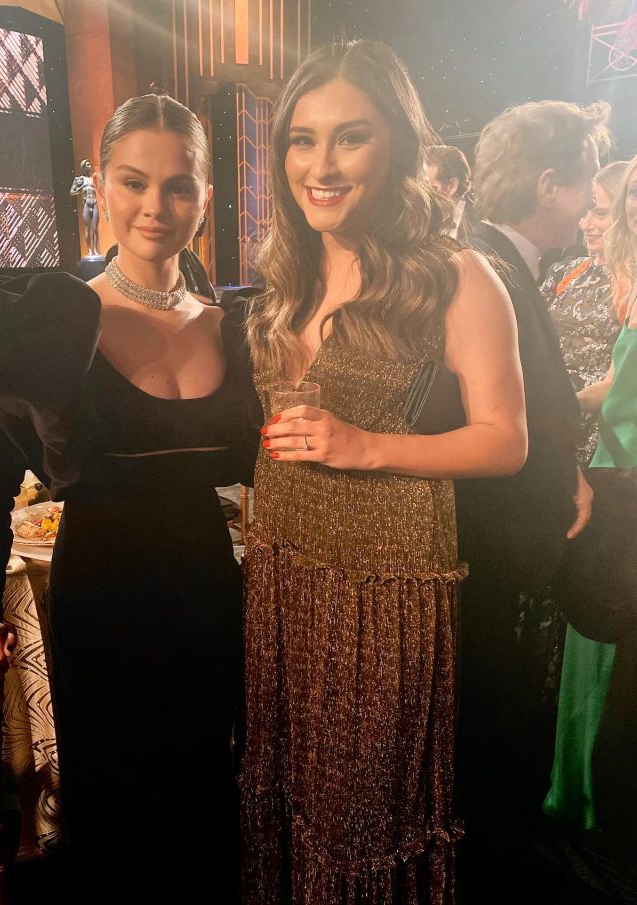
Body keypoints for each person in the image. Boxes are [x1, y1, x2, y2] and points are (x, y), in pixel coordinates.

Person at [0, 94, 261, 900]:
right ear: (99, 186)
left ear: (205, 198)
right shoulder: (55, 322)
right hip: (101, 594)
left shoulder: (236, 326)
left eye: (179, 185)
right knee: (115, 806)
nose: (155, 205)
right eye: (133, 181)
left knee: (208, 790)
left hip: (209, 589)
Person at [240, 40, 527, 905]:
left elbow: (506, 440)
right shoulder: (286, 270)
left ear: (397, 143)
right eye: (302, 139)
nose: (320, 165)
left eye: (351, 137)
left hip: (385, 583)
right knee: (286, 793)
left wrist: (367, 445)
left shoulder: (456, 275)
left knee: (362, 822)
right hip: (283, 566)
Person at [455, 99, 607, 889]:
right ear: (548, 185)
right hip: (495, 552)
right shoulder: (486, 269)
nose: (590, 206)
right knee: (491, 729)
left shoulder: (503, 260)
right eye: (585, 186)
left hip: (512, 545)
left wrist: (565, 470)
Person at [544, 153, 637, 862]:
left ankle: (595, 801)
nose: (595, 221)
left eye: (610, 211)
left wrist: (545, 407)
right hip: (605, 470)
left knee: (604, 646)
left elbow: (617, 390)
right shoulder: (586, 274)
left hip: (617, 480)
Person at [540, 160, 628, 462]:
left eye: (600, 213)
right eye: (585, 211)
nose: (585, 223)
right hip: (547, 418)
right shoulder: (564, 272)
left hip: (601, 435)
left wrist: (556, 407)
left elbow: (620, 385)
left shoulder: (631, 283)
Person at [425, 144, 476, 241]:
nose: (421, 194)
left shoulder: (479, 228)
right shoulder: (421, 217)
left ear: (452, 186)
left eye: (429, 188)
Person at [69, 158, 100, 256]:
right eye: (87, 164)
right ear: (83, 167)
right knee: (88, 228)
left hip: (94, 203)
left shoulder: (93, 179)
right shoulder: (80, 179)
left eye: (90, 164)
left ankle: (95, 250)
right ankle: (89, 250)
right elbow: (72, 192)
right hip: (86, 203)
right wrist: (80, 187)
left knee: (95, 228)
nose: (90, 166)